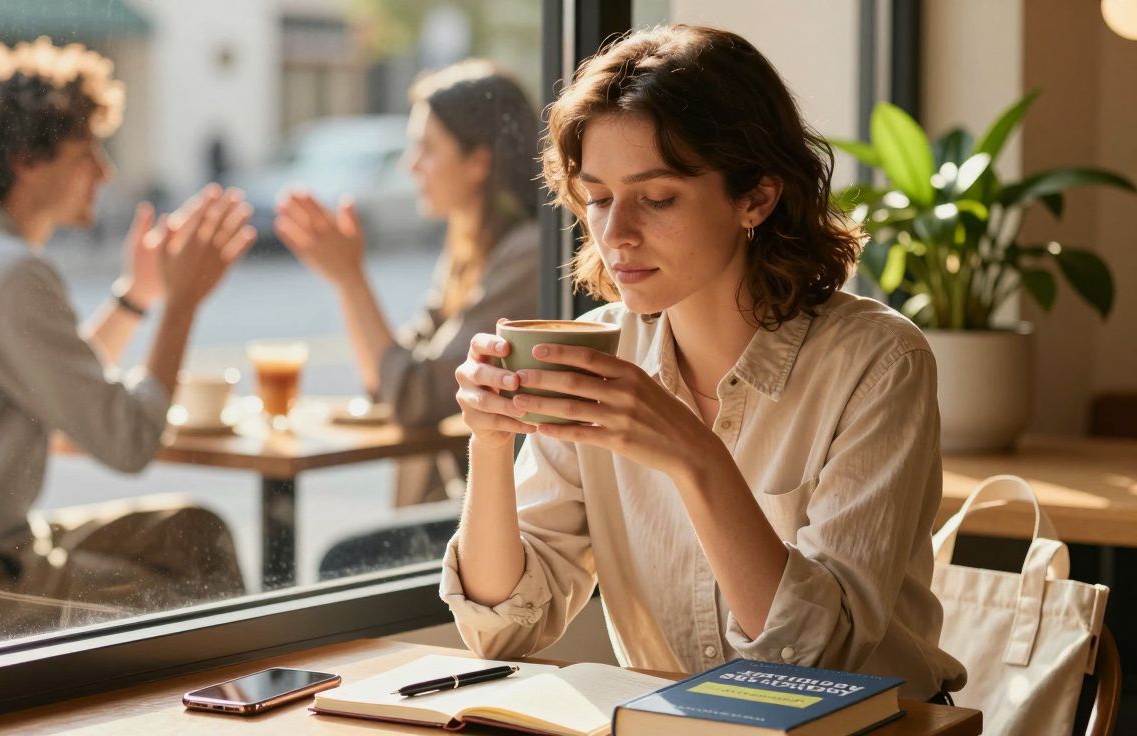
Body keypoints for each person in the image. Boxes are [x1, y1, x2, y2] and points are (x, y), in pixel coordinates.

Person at [445, 25, 967, 702]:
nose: (616, 233)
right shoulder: (600, 352)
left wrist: (695, 458)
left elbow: (816, 664)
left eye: (657, 198)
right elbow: (502, 629)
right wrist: (489, 443)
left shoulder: (877, 361)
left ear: (756, 197)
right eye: (598, 198)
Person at [0, 38, 257, 657]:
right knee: (191, 589)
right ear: (28, 159)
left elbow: (58, 384)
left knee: (191, 529)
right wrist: (182, 303)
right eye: (88, 152)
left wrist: (138, 296)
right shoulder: (8, 274)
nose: (106, 172)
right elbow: (129, 440)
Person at [273, 60, 541, 506]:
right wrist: (346, 280)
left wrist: (351, 279)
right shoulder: (469, 247)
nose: (410, 165)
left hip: (507, 515)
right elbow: (390, 378)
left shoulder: (526, 255)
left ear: (478, 161)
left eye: (427, 148)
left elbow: (415, 394)